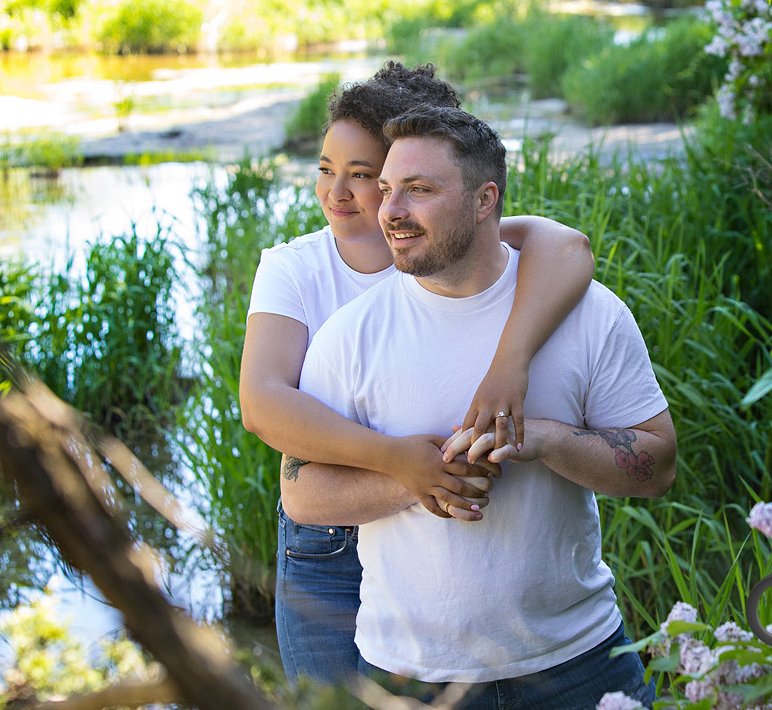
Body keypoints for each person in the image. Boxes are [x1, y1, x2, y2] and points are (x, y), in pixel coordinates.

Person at [298, 105, 676, 709]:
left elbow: (658, 468)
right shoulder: (350, 336)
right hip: (411, 677)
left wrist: (548, 441)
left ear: (484, 200)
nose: (389, 210)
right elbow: (301, 492)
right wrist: (414, 477)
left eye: (418, 190)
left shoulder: (587, 312)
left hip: (577, 663)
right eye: (388, 189)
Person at [238, 62, 596, 687]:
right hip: (327, 537)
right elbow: (264, 404)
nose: (336, 194)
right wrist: (395, 460)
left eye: (363, 176)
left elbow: (568, 250)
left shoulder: (451, 241)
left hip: (438, 545)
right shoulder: (296, 267)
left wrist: (509, 361)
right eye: (325, 169)